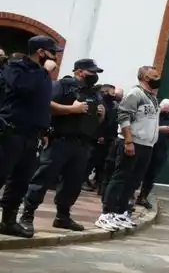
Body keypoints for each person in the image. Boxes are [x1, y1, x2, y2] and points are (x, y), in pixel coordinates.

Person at [19, 59, 106, 234]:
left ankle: (63, 217)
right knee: (43, 178)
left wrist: (101, 115)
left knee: (73, 183)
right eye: (91, 72)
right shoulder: (63, 86)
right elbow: (46, 105)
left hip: (82, 144)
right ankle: (27, 215)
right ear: (80, 71)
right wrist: (71, 110)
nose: (94, 76)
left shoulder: (94, 92)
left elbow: (95, 121)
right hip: (60, 140)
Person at [0, 36, 60, 238]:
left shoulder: (43, 75)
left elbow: (41, 104)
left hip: (32, 136)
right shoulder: (17, 67)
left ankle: (8, 221)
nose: (55, 57)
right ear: (41, 52)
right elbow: (22, 89)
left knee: (20, 181)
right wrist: (43, 71)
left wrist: (44, 130)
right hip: (12, 131)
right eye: (53, 52)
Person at [96, 66, 160, 231]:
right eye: (155, 75)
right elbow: (123, 117)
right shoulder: (135, 94)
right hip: (132, 143)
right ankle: (106, 214)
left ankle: (120, 212)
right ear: (145, 76)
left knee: (133, 181)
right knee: (120, 178)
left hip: (147, 146)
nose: (158, 78)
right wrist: (129, 141)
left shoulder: (152, 97)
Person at [135, 98, 169, 209]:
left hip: (161, 152)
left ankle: (143, 197)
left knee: (152, 176)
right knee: (139, 172)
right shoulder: (153, 116)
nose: (167, 112)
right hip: (149, 148)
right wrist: (160, 129)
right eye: (165, 109)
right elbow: (146, 128)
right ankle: (130, 195)